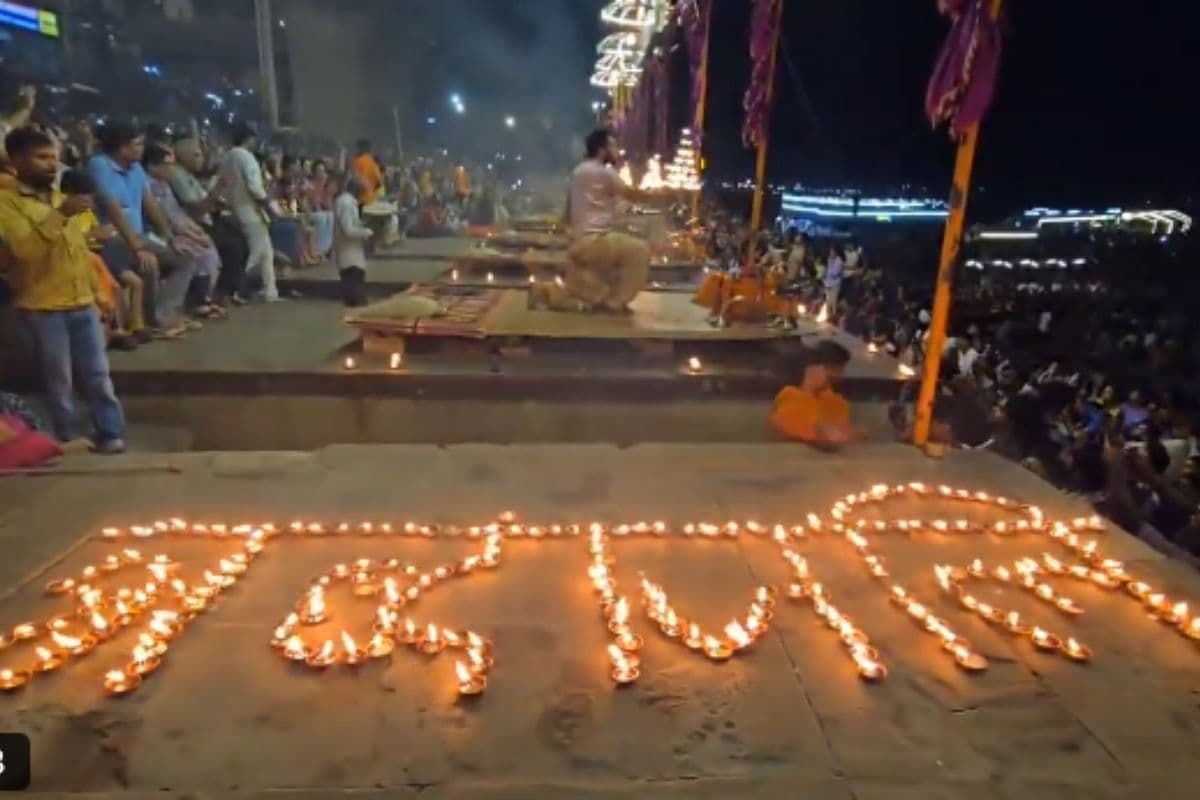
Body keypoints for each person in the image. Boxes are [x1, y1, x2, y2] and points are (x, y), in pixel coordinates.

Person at [0, 127, 126, 453]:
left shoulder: (61, 199)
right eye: (42, 158)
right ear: (16, 161)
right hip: (43, 306)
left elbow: (81, 252)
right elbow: (25, 250)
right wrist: (60, 216)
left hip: (82, 301)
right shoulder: (7, 204)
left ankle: (111, 434)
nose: (52, 164)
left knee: (99, 375)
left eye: (54, 157)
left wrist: (100, 295)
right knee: (60, 381)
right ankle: (69, 441)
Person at [87, 120, 195, 337]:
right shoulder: (99, 166)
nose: (141, 148)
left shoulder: (136, 168)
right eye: (137, 144)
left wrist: (169, 237)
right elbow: (113, 209)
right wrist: (137, 247)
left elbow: (150, 204)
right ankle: (151, 322)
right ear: (122, 147)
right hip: (111, 239)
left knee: (184, 257)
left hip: (138, 236)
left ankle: (163, 313)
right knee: (148, 263)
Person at [528, 128, 652, 314]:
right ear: (602, 149)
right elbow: (633, 195)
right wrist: (662, 192)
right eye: (614, 145)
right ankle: (615, 303)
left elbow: (567, 213)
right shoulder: (604, 172)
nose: (617, 150)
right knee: (639, 251)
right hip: (596, 242)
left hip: (580, 243)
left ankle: (542, 292)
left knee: (588, 287)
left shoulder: (577, 172)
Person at [143, 144, 223, 317]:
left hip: (175, 230)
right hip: (156, 233)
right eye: (167, 164)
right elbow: (167, 218)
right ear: (152, 166)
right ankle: (169, 311)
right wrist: (193, 235)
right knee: (193, 254)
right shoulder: (148, 185)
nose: (171, 168)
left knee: (209, 251)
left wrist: (197, 232)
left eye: (172, 163)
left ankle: (200, 300)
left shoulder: (163, 185)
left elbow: (178, 214)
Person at [171, 136, 248, 305]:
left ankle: (225, 292)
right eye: (197, 155)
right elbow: (196, 208)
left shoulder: (189, 176)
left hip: (206, 221)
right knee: (231, 246)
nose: (202, 159)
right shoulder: (177, 176)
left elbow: (207, 201)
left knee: (239, 235)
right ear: (183, 156)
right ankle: (210, 296)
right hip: (194, 224)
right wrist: (218, 188)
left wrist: (221, 202)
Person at [215, 122, 280, 302]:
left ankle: (270, 291)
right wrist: (269, 208)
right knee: (255, 253)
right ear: (248, 138)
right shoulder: (246, 157)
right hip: (250, 210)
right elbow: (255, 188)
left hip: (234, 208)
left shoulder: (226, 157)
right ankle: (235, 289)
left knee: (266, 251)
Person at [770, 340, 867, 450]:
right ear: (810, 368)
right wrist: (850, 434)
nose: (837, 375)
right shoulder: (789, 401)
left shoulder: (835, 402)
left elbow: (855, 436)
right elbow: (830, 438)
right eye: (830, 368)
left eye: (840, 369)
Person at [332, 173, 373, 307]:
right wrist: (367, 232)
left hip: (351, 253)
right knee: (356, 300)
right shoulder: (346, 203)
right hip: (349, 254)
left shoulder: (347, 202)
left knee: (354, 298)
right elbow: (348, 230)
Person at [352, 139, 384, 206]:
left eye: (356, 148)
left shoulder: (358, 161)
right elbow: (379, 183)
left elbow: (356, 180)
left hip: (360, 199)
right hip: (372, 199)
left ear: (361, 148)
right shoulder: (374, 163)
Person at [823, 243, 845, 321]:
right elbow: (828, 271)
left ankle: (834, 317)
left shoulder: (839, 261)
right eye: (830, 251)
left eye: (833, 251)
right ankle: (828, 317)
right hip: (828, 283)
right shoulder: (829, 259)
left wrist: (831, 266)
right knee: (828, 301)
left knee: (833, 301)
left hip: (835, 284)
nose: (831, 252)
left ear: (836, 252)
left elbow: (835, 273)